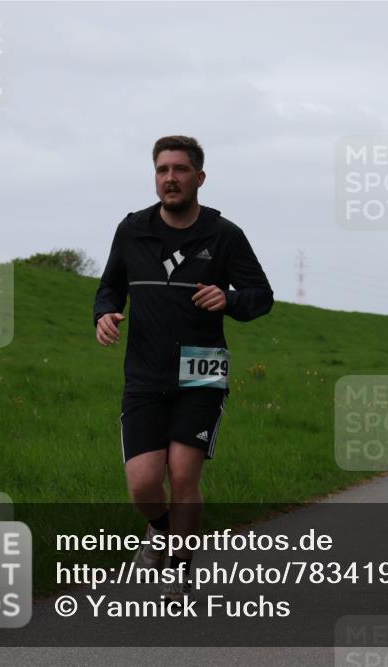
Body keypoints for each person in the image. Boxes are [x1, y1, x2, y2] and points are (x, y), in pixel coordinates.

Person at [93, 135, 274, 601]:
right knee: (143, 483)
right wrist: (105, 313)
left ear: (199, 177)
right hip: (145, 375)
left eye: (179, 169)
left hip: (202, 372)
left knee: (184, 475)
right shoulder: (132, 230)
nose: (170, 178)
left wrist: (229, 298)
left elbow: (261, 297)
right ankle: (161, 531)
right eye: (162, 170)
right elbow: (110, 286)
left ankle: (179, 566)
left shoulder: (224, 234)